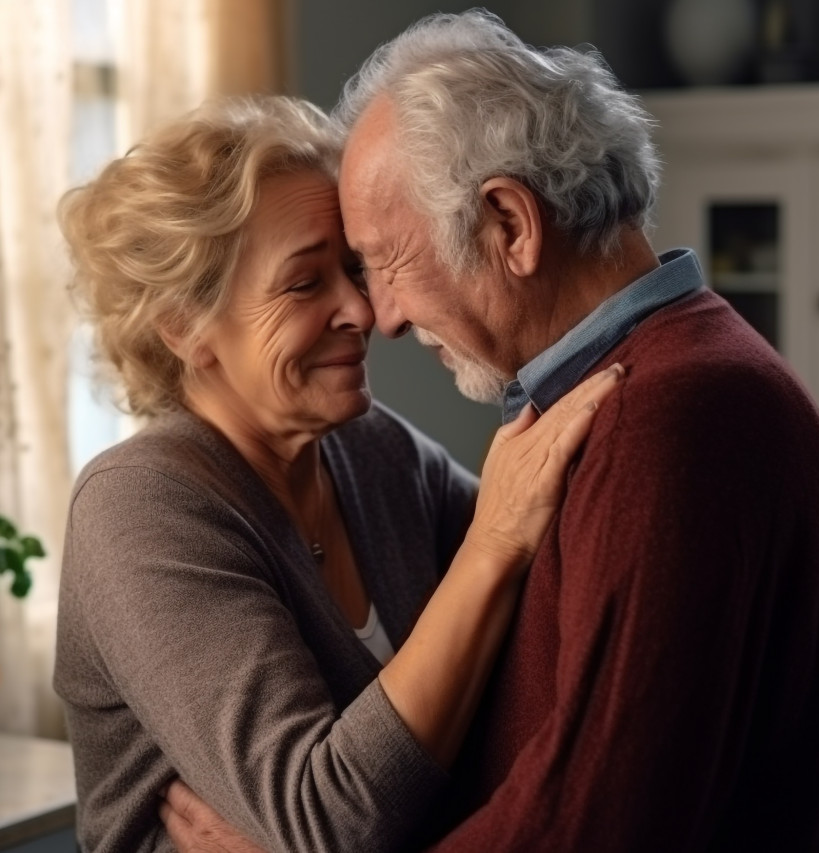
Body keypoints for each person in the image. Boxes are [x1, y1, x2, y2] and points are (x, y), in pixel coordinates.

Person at [160, 10, 819, 853]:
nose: (382, 317)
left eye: (384, 260)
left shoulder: (666, 419)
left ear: (510, 223)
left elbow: (590, 827)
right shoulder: (674, 380)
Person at [54, 94, 622, 852]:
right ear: (186, 327)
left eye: (354, 269)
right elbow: (324, 820)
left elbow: (547, 624)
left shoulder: (372, 449)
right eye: (303, 283)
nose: (363, 309)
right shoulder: (139, 505)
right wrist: (493, 543)